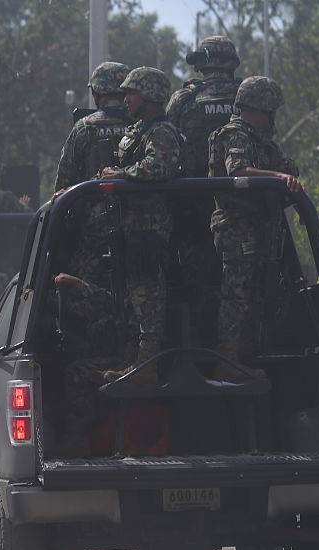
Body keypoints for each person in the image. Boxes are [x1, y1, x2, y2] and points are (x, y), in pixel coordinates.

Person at [208, 76, 301, 380]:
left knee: (256, 294)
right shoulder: (234, 135)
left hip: (258, 228)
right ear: (258, 107)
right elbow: (238, 170)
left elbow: (283, 166)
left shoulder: (260, 140)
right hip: (236, 228)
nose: (272, 117)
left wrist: (285, 173)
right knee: (236, 293)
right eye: (270, 110)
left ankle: (245, 355)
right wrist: (276, 177)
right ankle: (227, 358)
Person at [98, 66, 181, 384]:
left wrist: (119, 176)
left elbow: (158, 166)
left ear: (149, 96)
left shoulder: (161, 131)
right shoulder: (140, 129)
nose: (126, 98)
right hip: (130, 227)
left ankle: (147, 366)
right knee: (133, 295)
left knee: (148, 297)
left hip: (150, 228)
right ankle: (135, 361)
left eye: (132, 92)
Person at [165, 36, 242, 351]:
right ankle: (238, 355)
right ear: (231, 62)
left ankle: (198, 351)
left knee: (196, 285)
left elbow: (167, 144)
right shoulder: (246, 96)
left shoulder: (183, 100)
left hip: (194, 213)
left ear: (202, 62)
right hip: (247, 209)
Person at [54, 272, 133, 453]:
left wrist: (79, 285)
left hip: (128, 358)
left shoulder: (125, 291)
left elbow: (106, 302)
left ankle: (78, 439)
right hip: (122, 353)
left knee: (76, 372)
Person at [167, 36, 242, 178]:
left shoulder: (183, 97)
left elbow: (167, 140)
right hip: (243, 188)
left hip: (194, 188)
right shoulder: (247, 94)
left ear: (201, 62)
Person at [54, 61, 132, 192]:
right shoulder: (143, 124)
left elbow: (64, 180)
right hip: (138, 208)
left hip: (93, 208)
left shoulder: (84, 127)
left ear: (96, 93)